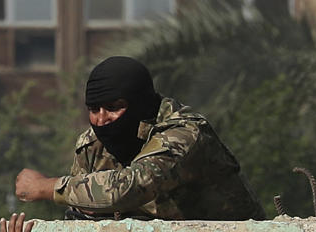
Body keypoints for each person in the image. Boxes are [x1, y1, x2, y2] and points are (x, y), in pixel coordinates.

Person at [15, 56, 265, 221]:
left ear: (139, 105)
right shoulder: (93, 145)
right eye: (93, 110)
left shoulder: (184, 135)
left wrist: (47, 187)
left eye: (114, 107)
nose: (102, 119)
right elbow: (83, 212)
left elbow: (132, 187)